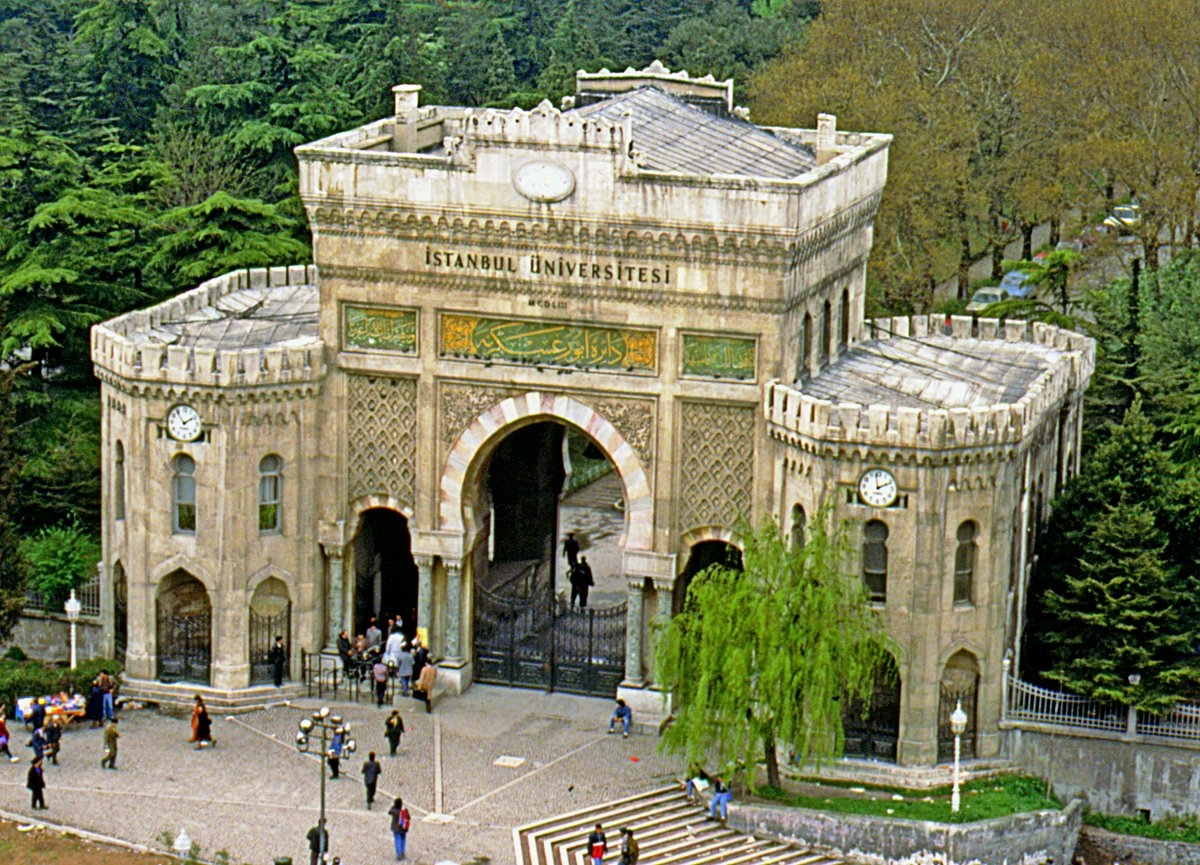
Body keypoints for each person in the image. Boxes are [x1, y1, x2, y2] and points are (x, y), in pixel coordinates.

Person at [387, 796, 411, 860]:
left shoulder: (394, 811)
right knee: (403, 839)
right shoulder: (403, 811)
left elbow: (389, 812)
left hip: (396, 828)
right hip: (403, 828)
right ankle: (403, 851)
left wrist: (393, 806)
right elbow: (409, 818)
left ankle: (399, 854)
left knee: (398, 840)